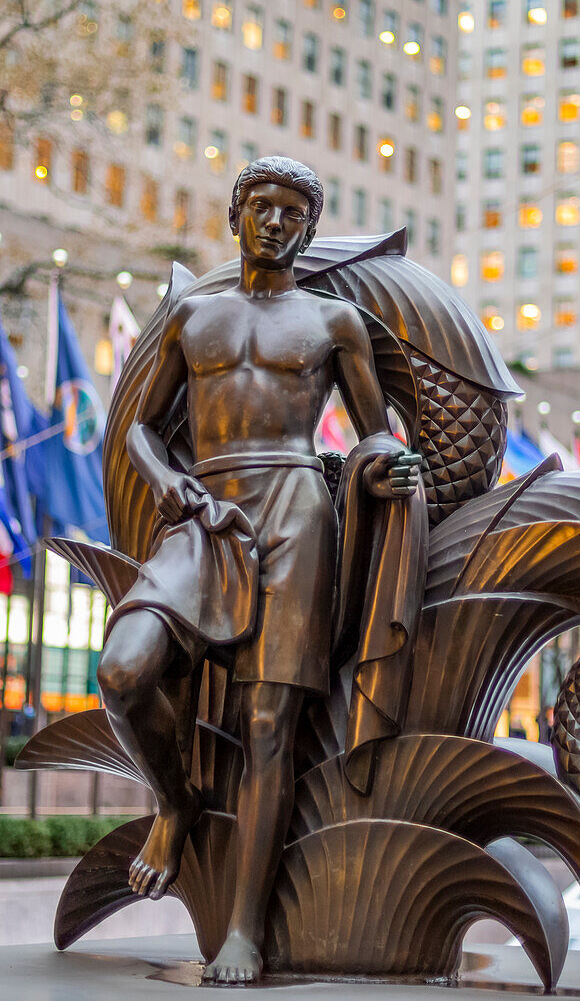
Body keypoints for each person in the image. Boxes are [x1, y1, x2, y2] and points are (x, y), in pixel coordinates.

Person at [96, 156, 422, 985]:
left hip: (296, 510)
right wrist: (169, 483)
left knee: (268, 727)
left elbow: (373, 429)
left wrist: (383, 466)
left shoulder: (333, 323)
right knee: (125, 668)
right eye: (261, 207)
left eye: (291, 213)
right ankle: (175, 803)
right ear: (236, 215)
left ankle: (243, 929)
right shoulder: (193, 319)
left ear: (309, 231)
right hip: (204, 515)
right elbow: (139, 427)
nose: (274, 222)